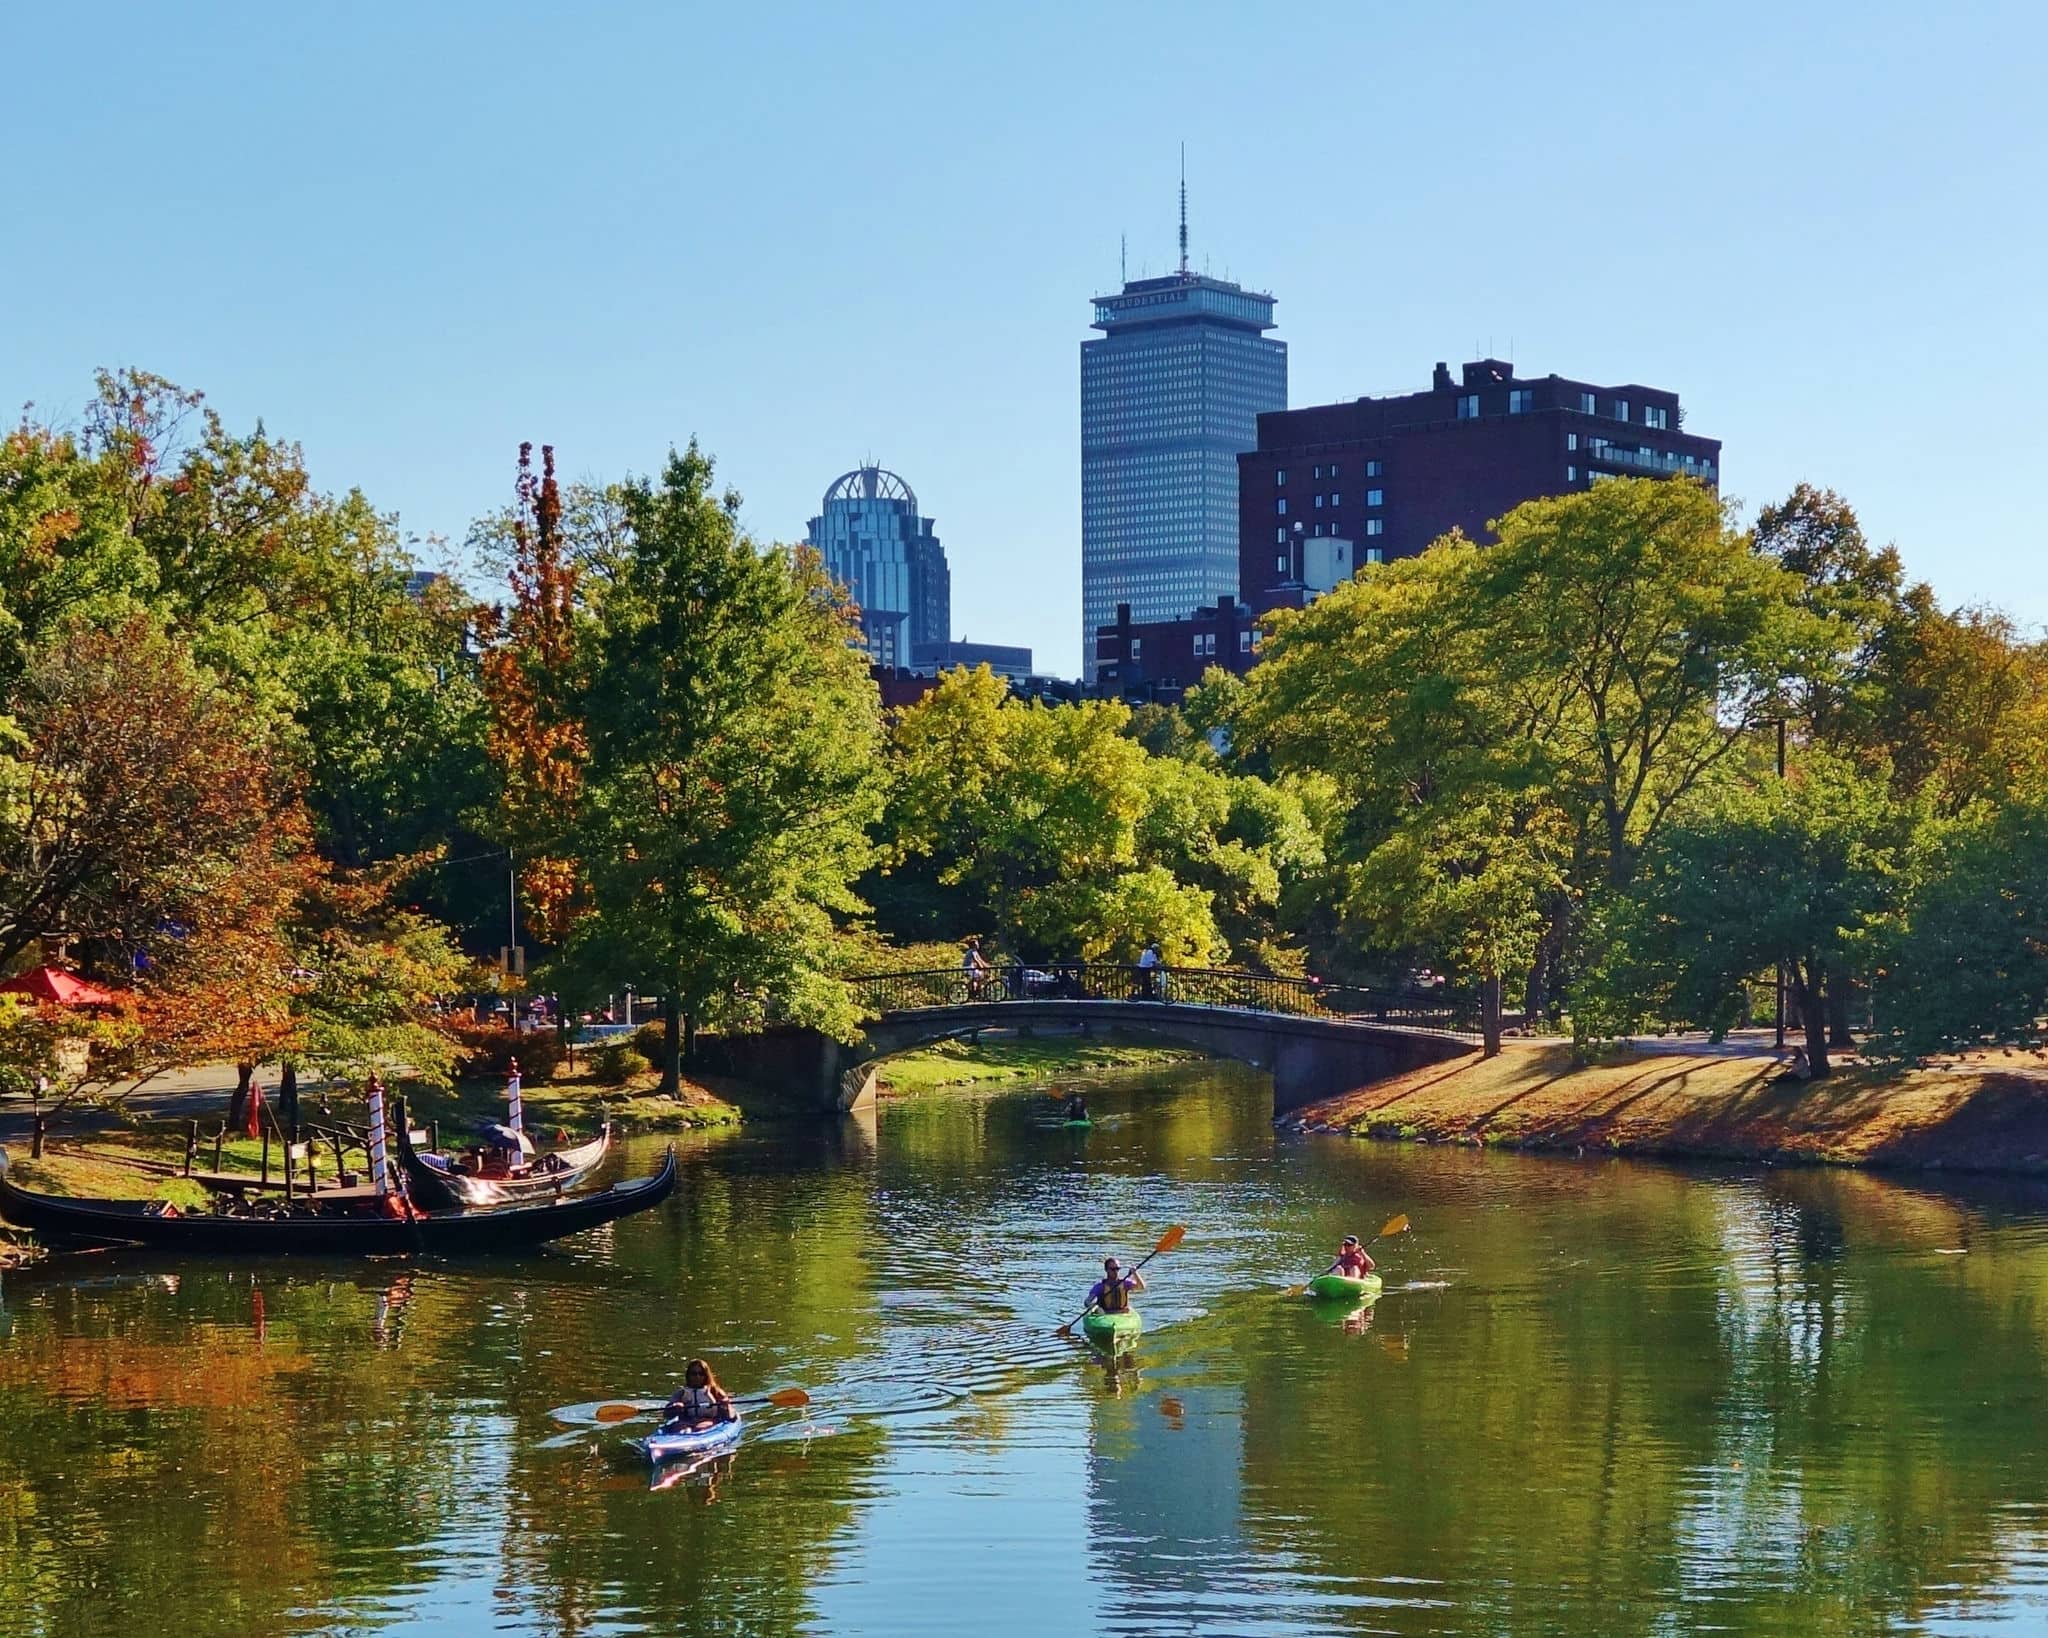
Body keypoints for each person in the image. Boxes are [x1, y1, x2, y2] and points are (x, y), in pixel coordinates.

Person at [662, 1358, 736, 1433]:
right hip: (686, 1422)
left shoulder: (715, 1392)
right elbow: (666, 1415)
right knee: (680, 1429)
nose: (697, 1377)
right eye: (694, 1374)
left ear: (706, 1375)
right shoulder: (681, 1393)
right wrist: (674, 1407)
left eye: (701, 1374)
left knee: (699, 1428)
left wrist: (726, 1406)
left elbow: (731, 1417)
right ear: (688, 1375)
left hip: (708, 1421)